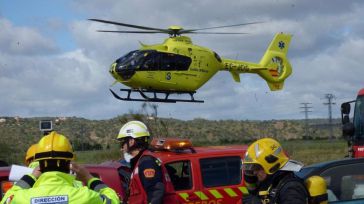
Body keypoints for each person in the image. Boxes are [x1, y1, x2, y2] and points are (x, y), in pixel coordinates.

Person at [1, 131, 120, 204]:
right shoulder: (85, 196)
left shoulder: (21, 198)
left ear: (39, 163)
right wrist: (89, 178)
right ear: (69, 163)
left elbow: (6, 199)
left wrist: (31, 177)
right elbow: (113, 199)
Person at [117, 120, 175, 204]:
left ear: (131, 141)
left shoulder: (147, 163)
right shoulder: (141, 161)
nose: (121, 148)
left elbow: (156, 193)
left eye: (123, 143)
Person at [242, 137, 308, 204]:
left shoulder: (291, 188)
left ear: (270, 165)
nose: (254, 172)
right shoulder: (271, 182)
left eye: (257, 168)